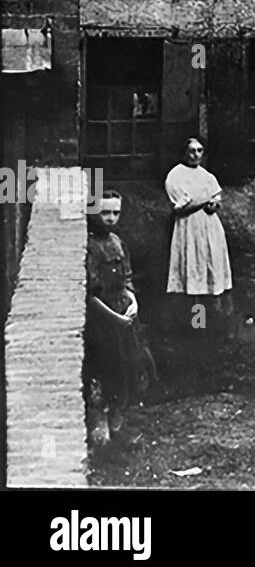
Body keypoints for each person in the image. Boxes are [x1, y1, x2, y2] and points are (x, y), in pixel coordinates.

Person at [85, 189, 146, 445]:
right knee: (104, 371)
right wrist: (114, 318)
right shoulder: (88, 247)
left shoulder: (118, 242)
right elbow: (90, 294)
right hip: (101, 322)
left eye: (115, 212)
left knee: (127, 368)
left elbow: (127, 278)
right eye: (105, 212)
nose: (110, 218)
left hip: (123, 317)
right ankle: (101, 431)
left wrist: (132, 302)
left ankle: (118, 425)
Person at [164, 137, 233, 332]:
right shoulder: (175, 176)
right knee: (192, 271)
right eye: (192, 151)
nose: (195, 155)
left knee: (209, 270)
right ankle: (194, 324)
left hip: (210, 228)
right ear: (184, 153)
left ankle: (212, 324)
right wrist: (204, 201)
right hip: (188, 228)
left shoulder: (207, 176)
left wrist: (213, 204)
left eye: (199, 151)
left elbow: (215, 198)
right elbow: (181, 209)